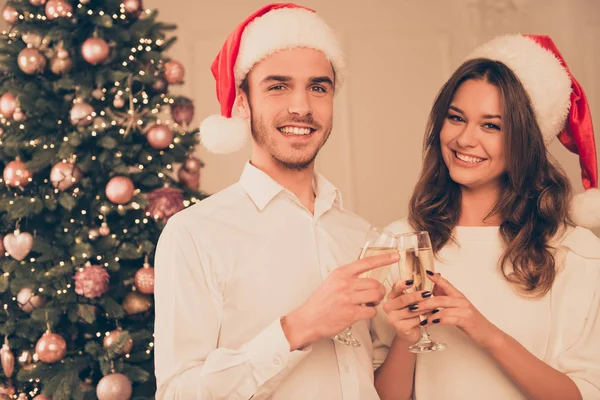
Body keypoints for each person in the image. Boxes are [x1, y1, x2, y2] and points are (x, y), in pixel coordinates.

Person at [153, 4, 398, 399]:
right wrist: (297, 328)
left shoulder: (364, 236)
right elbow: (177, 393)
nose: (301, 107)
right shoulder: (194, 235)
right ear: (243, 103)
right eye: (277, 86)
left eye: (318, 87)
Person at [374, 34, 600, 400]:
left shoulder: (574, 252)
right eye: (456, 118)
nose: (465, 139)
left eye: (491, 126)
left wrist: (482, 331)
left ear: (525, 141)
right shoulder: (400, 245)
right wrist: (406, 338)